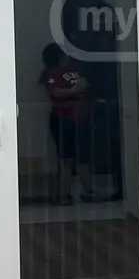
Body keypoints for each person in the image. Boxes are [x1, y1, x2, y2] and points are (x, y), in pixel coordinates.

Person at [39, 42, 92, 201]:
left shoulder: (74, 70)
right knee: (66, 158)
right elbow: (55, 93)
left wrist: (77, 90)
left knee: (82, 156)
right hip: (62, 119)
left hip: (79, 118)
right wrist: (74, 91)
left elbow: (85, 84)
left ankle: (88, 191)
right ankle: (64, 194)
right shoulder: (50, 73)